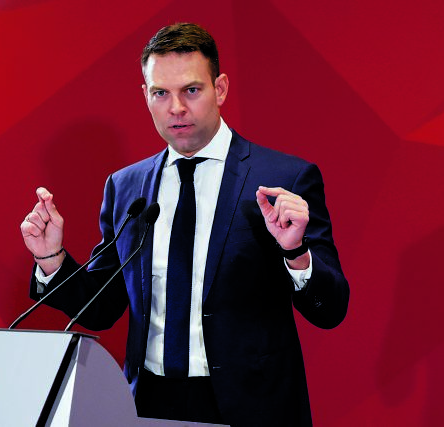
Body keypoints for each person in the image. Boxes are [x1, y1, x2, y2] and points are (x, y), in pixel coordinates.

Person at [20, 23, 349, 426]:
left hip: (252, 407)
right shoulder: (126, 186)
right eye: (161, 93)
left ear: (220, 89)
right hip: (148, 405)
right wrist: (51, 258)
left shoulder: (284, 178)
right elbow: (102, 308)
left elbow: (330, 309)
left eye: (191, 90)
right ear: (145, 95)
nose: (176, 107)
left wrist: (295, 252)